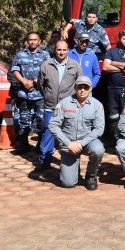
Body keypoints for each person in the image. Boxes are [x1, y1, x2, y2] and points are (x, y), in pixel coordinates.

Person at [47, 76, 105, 190]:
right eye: (80, 87)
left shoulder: (97, 105)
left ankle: (91, 175)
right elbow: (53, 125)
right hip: (69, 143)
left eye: (85, 87)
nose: (82, 90)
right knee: (68, 183)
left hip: (87, 141)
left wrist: (81, 143)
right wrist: (68, 143)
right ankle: (74, 169)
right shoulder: (64, 103)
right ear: (75, 88)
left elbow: (99, 129)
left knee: (98, 150)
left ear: (90, 89)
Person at [35, 41, 82, 172]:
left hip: (69, 107)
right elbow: (40, 84)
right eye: (59, 50)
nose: (61, 52)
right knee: (48, 133)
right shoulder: (46, 65)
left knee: (69, 134)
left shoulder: (75, 66)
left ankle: (70, 162)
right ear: (55, 50)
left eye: (64, 50)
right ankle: (45, 160)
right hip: (50, 106)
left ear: (68, 50)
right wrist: (48, 96)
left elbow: (79, 85)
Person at [10, 32, 50, 154]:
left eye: (35, 40)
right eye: (30, 40)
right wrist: (23, 81)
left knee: (41, 120)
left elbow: (48, 71)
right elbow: (14, 69)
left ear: (39, 41)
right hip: (23, 93)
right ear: (27, 41)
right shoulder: (20, 54)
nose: (32, 42)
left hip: (39, 94)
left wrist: (34, 82)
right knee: (24, 119)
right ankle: (24, 145)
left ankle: (40, 145)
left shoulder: (45, 55)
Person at [102, 30, 125, 140]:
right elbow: (105, 67)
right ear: (119, 39)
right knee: (113, 115)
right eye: (124, 39)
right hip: (112, 89)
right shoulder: (111, 51)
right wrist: (123, 67)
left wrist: (113, 63)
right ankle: (115, 139)